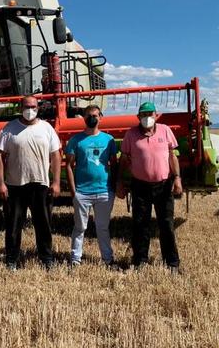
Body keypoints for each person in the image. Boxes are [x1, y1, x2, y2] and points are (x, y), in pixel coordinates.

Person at [0, 95, 61, 270]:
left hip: (40, 183)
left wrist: (56, 182)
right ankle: (12, 260)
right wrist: (0, 183)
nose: (30, 110)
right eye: (26, 106)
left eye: (33, 106)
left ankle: (46, 258)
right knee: (14, 225)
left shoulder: (47, 128)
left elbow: (55, 156)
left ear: (38, 108)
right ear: (20, 107)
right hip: (15, 185)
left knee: (44, 224)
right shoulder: (9, 129)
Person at [116, 102, 183, 273]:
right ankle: (140, 261)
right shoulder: (131, 134)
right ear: (138, 117)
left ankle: (172, 263)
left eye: (150, 113)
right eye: (143, 114)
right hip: (140, 187)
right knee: (140, 225)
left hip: (163, 186)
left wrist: (177, 179)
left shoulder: (165, 130)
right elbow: (124, 159)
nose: (147, 118)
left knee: (166, 225)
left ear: (156, 115)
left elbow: (172, 156)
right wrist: (120, 182)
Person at [65, 105, 118, 267]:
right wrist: (74, 191)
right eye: (88, 115)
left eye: (95, 115)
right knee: (80, 228)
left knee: (103, 228)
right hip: (82, 192)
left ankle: (107, 259)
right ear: (84, 118)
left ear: (100, 117)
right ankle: (75, 259)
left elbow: (114, 165)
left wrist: (114, 187)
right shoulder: (75, 140)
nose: (92, 118)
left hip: (104, 191)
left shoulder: (108, 140)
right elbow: (68, 165)